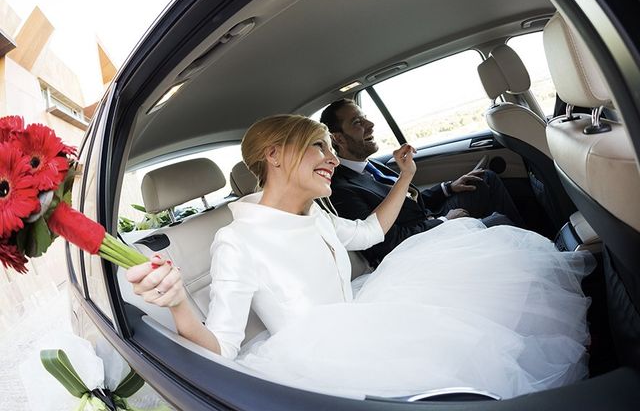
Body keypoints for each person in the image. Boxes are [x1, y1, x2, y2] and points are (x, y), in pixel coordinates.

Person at [127, 114, 593, 399]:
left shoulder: (317, 215)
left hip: (363, 313)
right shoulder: (236, 241)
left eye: (332, 148)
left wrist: (405, 176)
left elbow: (370, 230)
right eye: (319, 146)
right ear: (275, 155)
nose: (332, 158)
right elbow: (223, 348)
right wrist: (178, 303)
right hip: (320, 360)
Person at [320, 98, 523, 266]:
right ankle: (523, 250)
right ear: (338, 139)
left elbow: (405, 202)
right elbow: (387, 242)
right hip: (420, 244)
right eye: (357, 122)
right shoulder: (342, 189)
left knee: (483, 179)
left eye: (365, 119)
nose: (370, 125)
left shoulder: (369, 165)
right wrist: (443, 223)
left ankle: (524, 240)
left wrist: (447, 188)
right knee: (499, 222)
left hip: (427, 219)